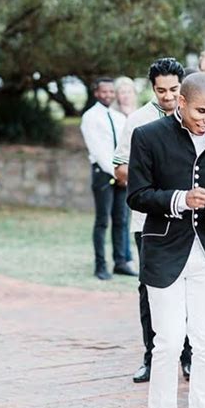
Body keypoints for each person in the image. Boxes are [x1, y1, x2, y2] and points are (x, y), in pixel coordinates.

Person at [128, 72, 205, 408]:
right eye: (202, 111)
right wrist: (179, 199)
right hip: (163, 252)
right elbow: (137, 195)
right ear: (182, 103)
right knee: (168, 341)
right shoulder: (148, 136)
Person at [113, 59, 192, 383]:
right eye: (161, 90)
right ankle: (150, 356)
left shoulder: (193, 116)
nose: (168, 96)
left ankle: (188, 357)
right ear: (152, 88)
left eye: (174, 89)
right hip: (146, 221)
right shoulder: (137, 121)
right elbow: (119, 169)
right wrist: (147, 178)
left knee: (187, 286)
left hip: (187, 218)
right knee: (149, 290)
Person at [80, 77, 134, 280]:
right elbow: (98, 150)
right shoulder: (90, 117)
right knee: (103, 221)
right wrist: (116, 173)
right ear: (96, 93)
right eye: (104, 91)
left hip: (121, 174)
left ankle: (120, 262)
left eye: (111, 92)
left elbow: (124, 146)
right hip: (103, 174)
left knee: (121, 220)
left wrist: (125, 173)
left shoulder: (119, 117)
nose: (108, 95)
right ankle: (100, 265)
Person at [112, 77, 139, 275]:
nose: (125, 95)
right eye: (122, 92)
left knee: (134, 218)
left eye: (129, 91)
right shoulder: (113, 115)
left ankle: (129, 256)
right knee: (120, 218)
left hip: (137, 172)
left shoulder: (140, 115)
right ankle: (121, 258)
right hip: (122, 172)